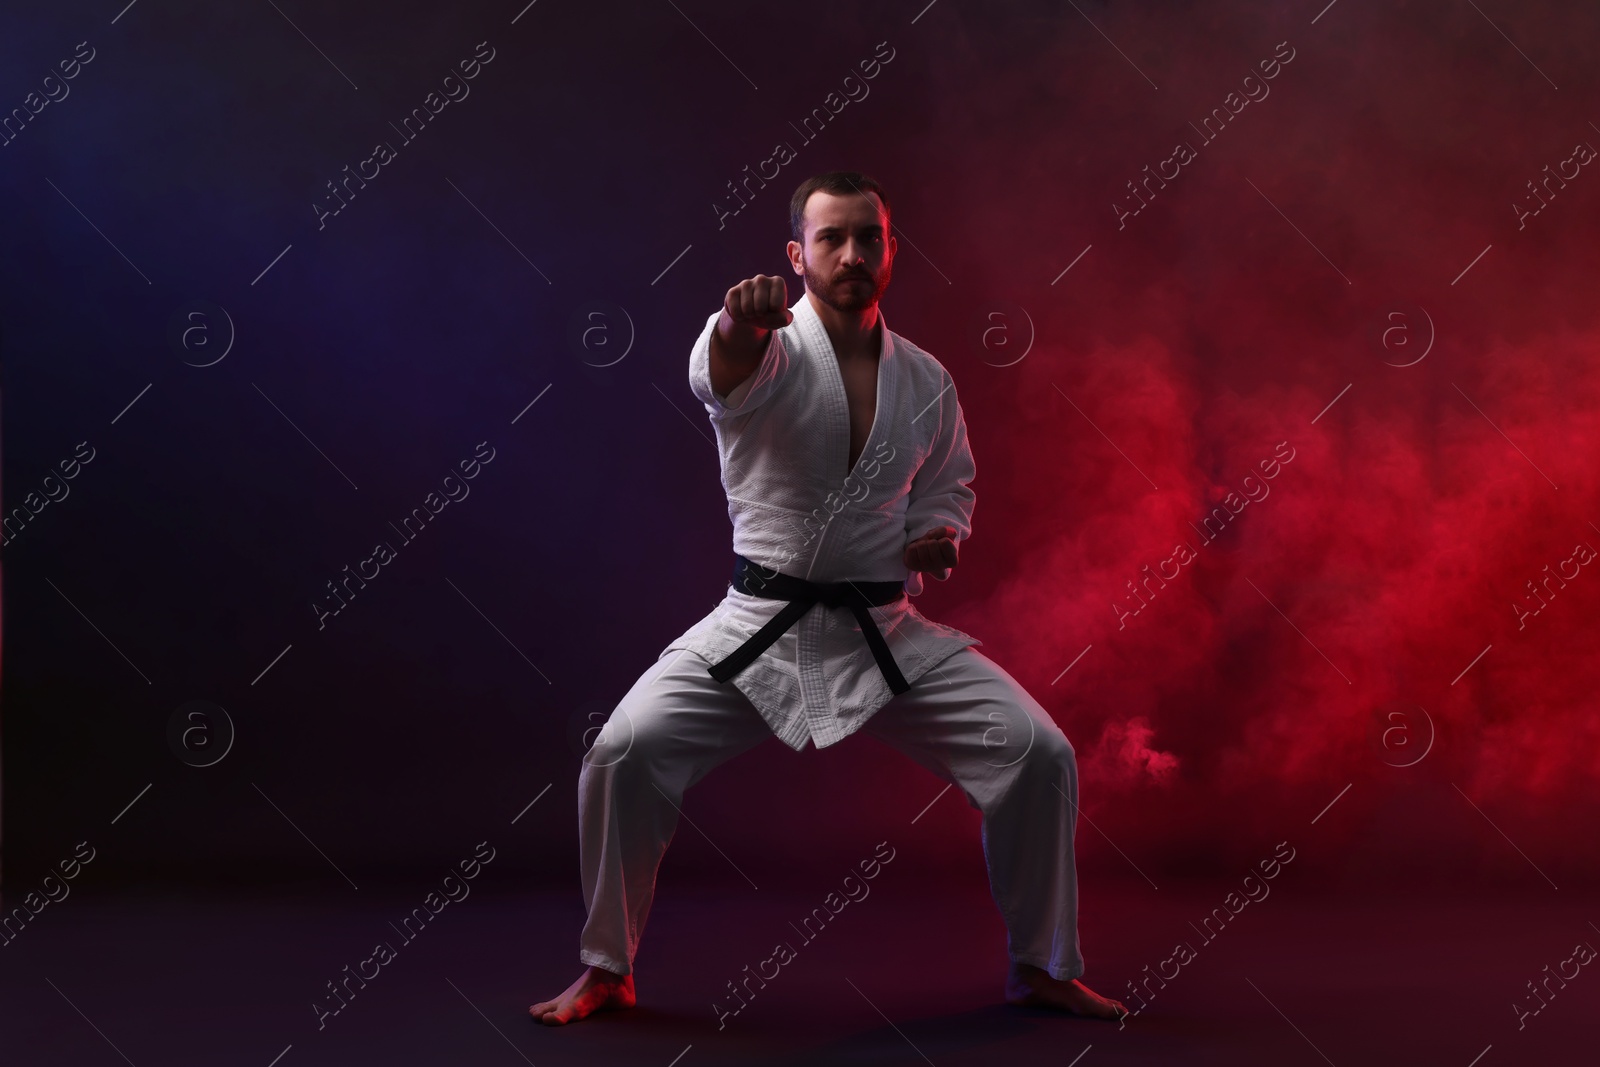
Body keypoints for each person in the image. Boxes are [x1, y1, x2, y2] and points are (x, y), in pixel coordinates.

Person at [530, 171, 1127, 1026]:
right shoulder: (766, 347)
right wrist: (737, 319)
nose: (851, 254)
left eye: (867, 238)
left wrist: (938, 537)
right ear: (796, 255)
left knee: (1040, 755)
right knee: (623, 754)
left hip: (883, 631)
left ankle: (1042, 964)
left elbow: (950, 487)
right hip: (755, 630)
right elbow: (718, 372)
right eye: (831, 239)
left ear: (891, 251)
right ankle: (606, 967)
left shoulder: (927, 380)